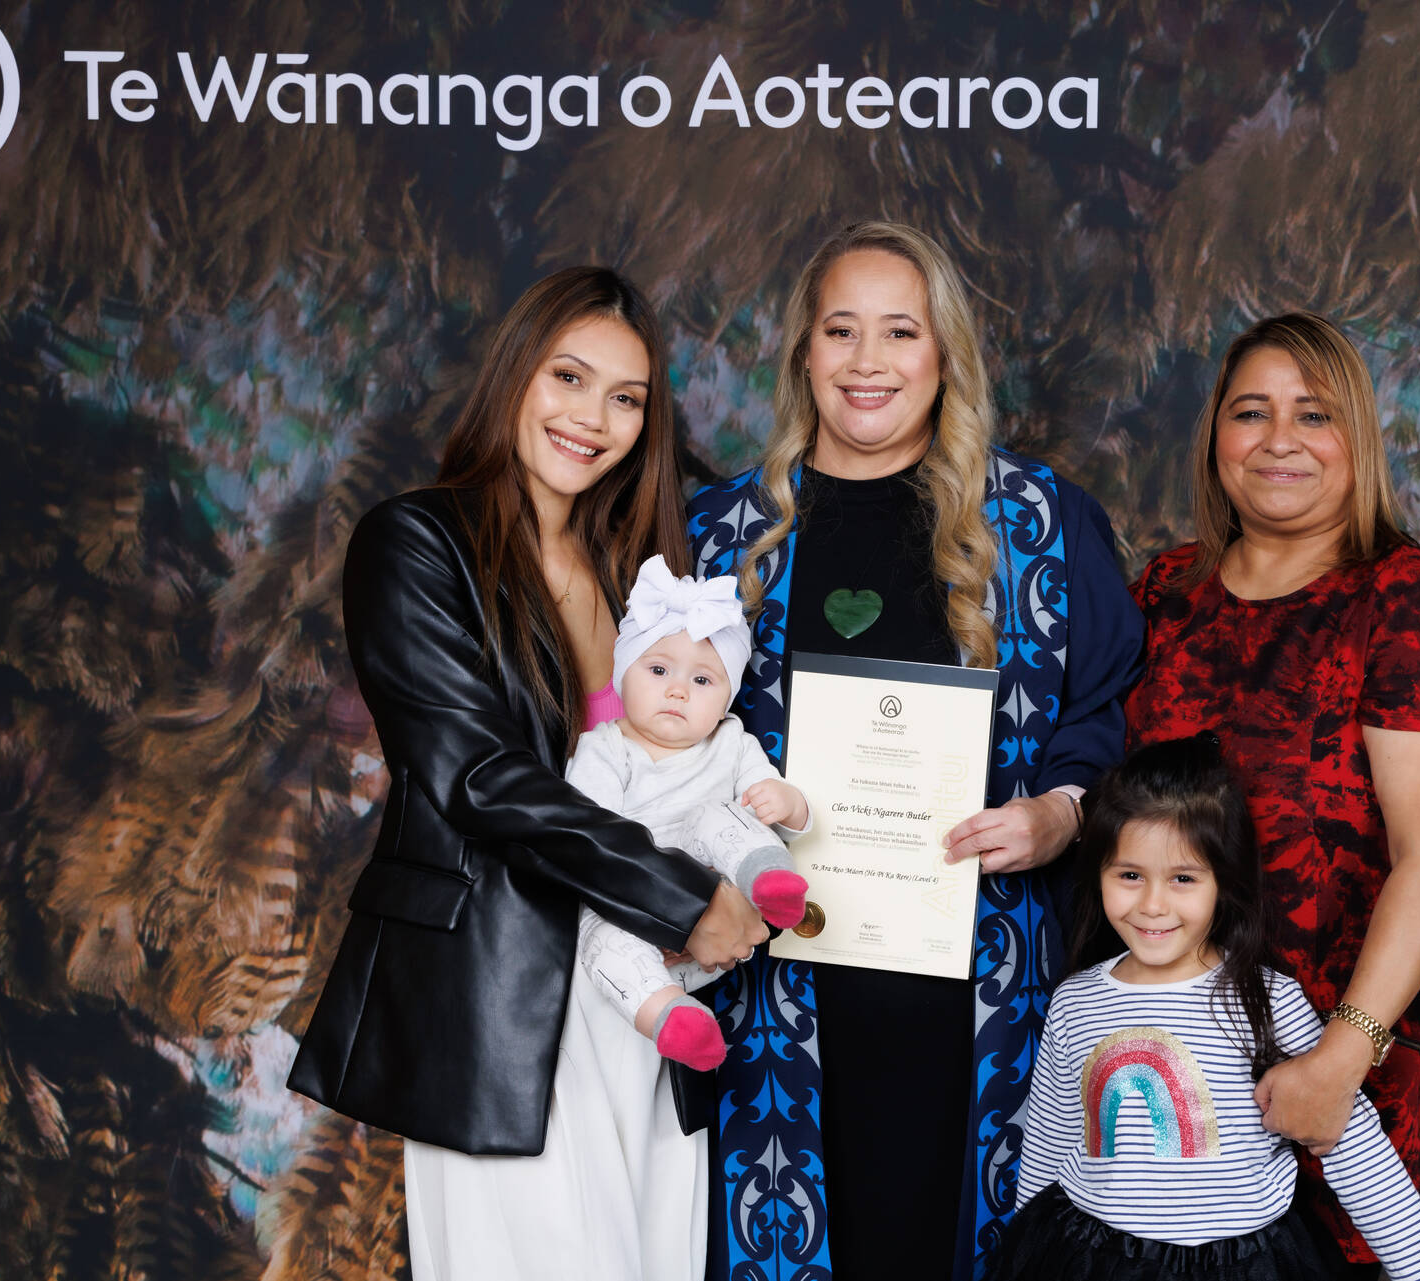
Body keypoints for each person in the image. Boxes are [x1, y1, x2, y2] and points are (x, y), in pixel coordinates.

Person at [287, 267, 768, 1281]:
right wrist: (685, 898)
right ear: (515, 375)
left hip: (651, 1002)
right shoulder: (415, 543)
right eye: (569, 377)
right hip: (505, 1004)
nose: (592, 418)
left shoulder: (639, 574)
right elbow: (477, 778)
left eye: (626, 398)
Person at [686, 220, 1145, 1280]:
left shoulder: (1039, 525)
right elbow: (659, 740)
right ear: (803, 350)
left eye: (900, 332)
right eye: (840, 330)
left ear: (945, 354)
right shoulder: (721, 536)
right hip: (779, 999)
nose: (867, 361)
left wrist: (1058, 815)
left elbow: (1102, 714)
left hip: (980, 992)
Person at [1126, 313, 1420, 1271]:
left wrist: (1341, 1060)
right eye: (1251, 412)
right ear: (1217, 437)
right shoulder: (1163, 592)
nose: (1280, 439)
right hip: (1182, 1085)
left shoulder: (1408, 601)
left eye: (1314, 414)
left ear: (1357, 440)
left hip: (1354, 1088)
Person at [999, 734, 1420, 1281]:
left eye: (1183, 879)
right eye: (1129, 875)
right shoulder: (1076, 1001)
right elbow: (1047, 1146)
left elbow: (1353, 1145)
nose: (1152, 905)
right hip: (1095, 1261)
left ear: (1223, 882)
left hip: (1245, 1266)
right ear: (1098, 871)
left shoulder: (1265, 997)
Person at [568, 554, 811, 1072]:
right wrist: (661, 910)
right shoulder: (603, 749)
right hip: (637, 923)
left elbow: (778, 805)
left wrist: (788, 804)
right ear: (621, 676)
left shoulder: (730, 742)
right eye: (657, 670)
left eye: (703, 681)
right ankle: (674, 1020)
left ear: (726, 700)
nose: (678, 690)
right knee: (601, 945)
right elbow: (593, 842)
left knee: (717, 818)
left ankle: (774, 884)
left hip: (720, 928)